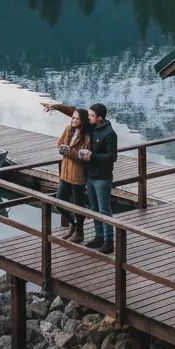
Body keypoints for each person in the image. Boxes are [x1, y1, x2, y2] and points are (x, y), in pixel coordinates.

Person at [42, 99, 118, 254]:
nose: (89, 118)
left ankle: (108, 241)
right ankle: (98, 237)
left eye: (92, 116)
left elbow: (112, 157)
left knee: (104, 209)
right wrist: (57, 107)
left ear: (99, 118)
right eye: (88, 116)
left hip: (101, 177)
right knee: (94, 208)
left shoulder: (108, 133)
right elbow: (75, 113)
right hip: (90, 175)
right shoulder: (92, 127)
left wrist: (91, 156)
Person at [53, 107, 91, 243]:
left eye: (77, 119)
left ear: (83, 121)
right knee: (59, 201)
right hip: (65, 173)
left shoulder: (87, 135)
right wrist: (61, 149)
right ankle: (73, 224)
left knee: (78, 205)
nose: (73, 120)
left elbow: (83, 154)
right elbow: (59, 143)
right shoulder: (68, 129)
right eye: (73, 117)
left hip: (78, 174)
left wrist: (69, 152)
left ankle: (79, 232)